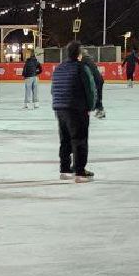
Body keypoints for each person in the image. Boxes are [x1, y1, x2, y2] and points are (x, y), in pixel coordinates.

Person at [51, 39, 97, 182]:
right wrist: (90, 106)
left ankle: (65, 169)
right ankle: (79, 172)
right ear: (78, 54)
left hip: (60, 108)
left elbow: (53, 89)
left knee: (65, 139)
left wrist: (58, 105)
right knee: (79, 139)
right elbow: (90, 89)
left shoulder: (59, 67)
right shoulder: (81, 67)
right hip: (76, 108)